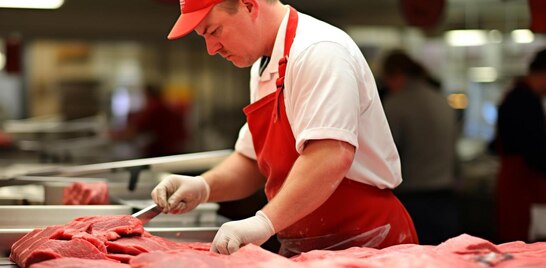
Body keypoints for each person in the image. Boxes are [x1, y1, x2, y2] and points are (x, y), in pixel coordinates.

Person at [152, 0, 418, 256]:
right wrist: (202, 186)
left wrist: (264, 222)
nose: (211, 48)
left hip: (368, 241)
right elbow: (251, 161)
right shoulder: (262, 67)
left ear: (248, 5)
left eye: (214, 31)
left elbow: (330, 155)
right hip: (309, 245)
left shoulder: (319, 50)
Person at [380, 50, 460, 245]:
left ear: (396, 75)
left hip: (413, 199)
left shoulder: (395, 105)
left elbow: (387, 155)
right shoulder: (442, 100)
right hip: (446, 197)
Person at [494, 48, 546, 242]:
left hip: (517, 184)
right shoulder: (525, 99)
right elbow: (535, 152)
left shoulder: (517, 94)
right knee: (521, 246)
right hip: (521, 187)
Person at [111, 84, 188, 157]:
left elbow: (137, 128)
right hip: (176, 146)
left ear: (147, 94)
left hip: (163, 149)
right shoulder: (163, 104)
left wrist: (116, 135)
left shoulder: (154, 107)